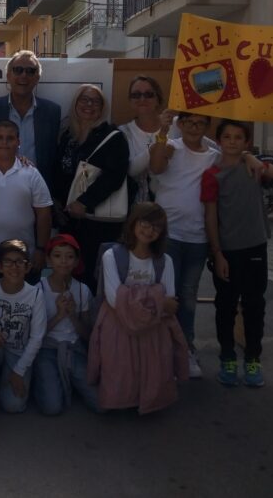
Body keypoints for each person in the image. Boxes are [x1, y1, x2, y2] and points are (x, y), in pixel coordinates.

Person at [202, 121, 273, 388]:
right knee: (225, 307)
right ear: (219, 140)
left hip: (255, 248)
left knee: (254, 306)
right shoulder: (212, 175)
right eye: (226, 136)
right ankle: (227, 357)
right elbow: (211, 216)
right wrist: (217, 253)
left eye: (238, 137)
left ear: (246, 142)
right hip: (226, 251)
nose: (232, 141)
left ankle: (252, 359)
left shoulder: (255, 167)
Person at [87, 203, 188, 415]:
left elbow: (170, 301)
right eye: (145, 223)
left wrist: (135, 297)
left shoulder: (164, 260)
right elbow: (115, 299)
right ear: (133, 223)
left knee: (153, 366)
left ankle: (150, 399)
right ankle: (123, 400)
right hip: (119, 323)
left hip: (153, 327)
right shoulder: (112, 256)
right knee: (121, 366)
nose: (149, 230)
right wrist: (156, 297)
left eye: (156, 227)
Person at [149, 111, 219, 379]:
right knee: (166, 295)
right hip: (169, 235)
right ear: (180, 124)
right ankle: (162, 351)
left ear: (206, 126)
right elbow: (155, 167)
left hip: (198, 237)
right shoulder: (170, 146)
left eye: (200, 123)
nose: (194, 127)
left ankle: (185, 349)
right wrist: (163, 131)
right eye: (188, 122)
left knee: (188, 298)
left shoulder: (214, 154)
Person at [0, 120, 53, 332]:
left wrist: (41, 249)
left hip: (23, 263)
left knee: (22, 322)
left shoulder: (31, 173)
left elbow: (44, 214)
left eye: (10, 138)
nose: (4, 142)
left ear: (19, 142)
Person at [52, 84, 128, 292]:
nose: (89, 105)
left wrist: (85, 202)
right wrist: (57, 204)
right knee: (68, 276)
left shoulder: (113, 137)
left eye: (95, 101)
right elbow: (60, 172)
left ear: (103, 107)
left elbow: (114, 177)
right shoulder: (67, 136)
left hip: (98, 222)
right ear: (75, 103)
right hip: (68, 220)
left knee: (93, 278)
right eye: (84, 99)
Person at [0, 239, 47, 413]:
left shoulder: (36, 294)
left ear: (28, 267)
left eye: (19, 262)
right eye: (8, 262)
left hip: (18, 353)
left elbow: (37, 337)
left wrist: (19, 372)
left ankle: (8, 380)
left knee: (14, 406)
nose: (14, 267)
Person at [33, 234, 99, 415]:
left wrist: (72, 315)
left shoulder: (82, 289)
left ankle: (68, 380)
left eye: (70, 256)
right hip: (47, 349)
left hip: (73, 347)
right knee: (52, 407)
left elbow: (87, 334)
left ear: (77, 260)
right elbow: (35, 335)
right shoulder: (38, 289)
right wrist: (59, 315)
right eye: (57, 256)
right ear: (48, 259)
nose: (64, 261)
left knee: (100, 403)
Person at [0, 50, 61, 184]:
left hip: (39, 189)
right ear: (8, 76)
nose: (24, 75)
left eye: (30, 71)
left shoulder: (52, 112)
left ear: (37, 78)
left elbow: (54, 157)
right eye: (18, 70)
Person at [119, 75, 165, 203]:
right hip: (140, 208)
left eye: (149, 94)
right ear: (130, 100)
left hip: (176, 203)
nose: (142, 99)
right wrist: (154, 148)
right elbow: (130, 170)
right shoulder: (124, 132)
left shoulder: (176, 125)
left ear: (158, 99)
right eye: (136, 95)